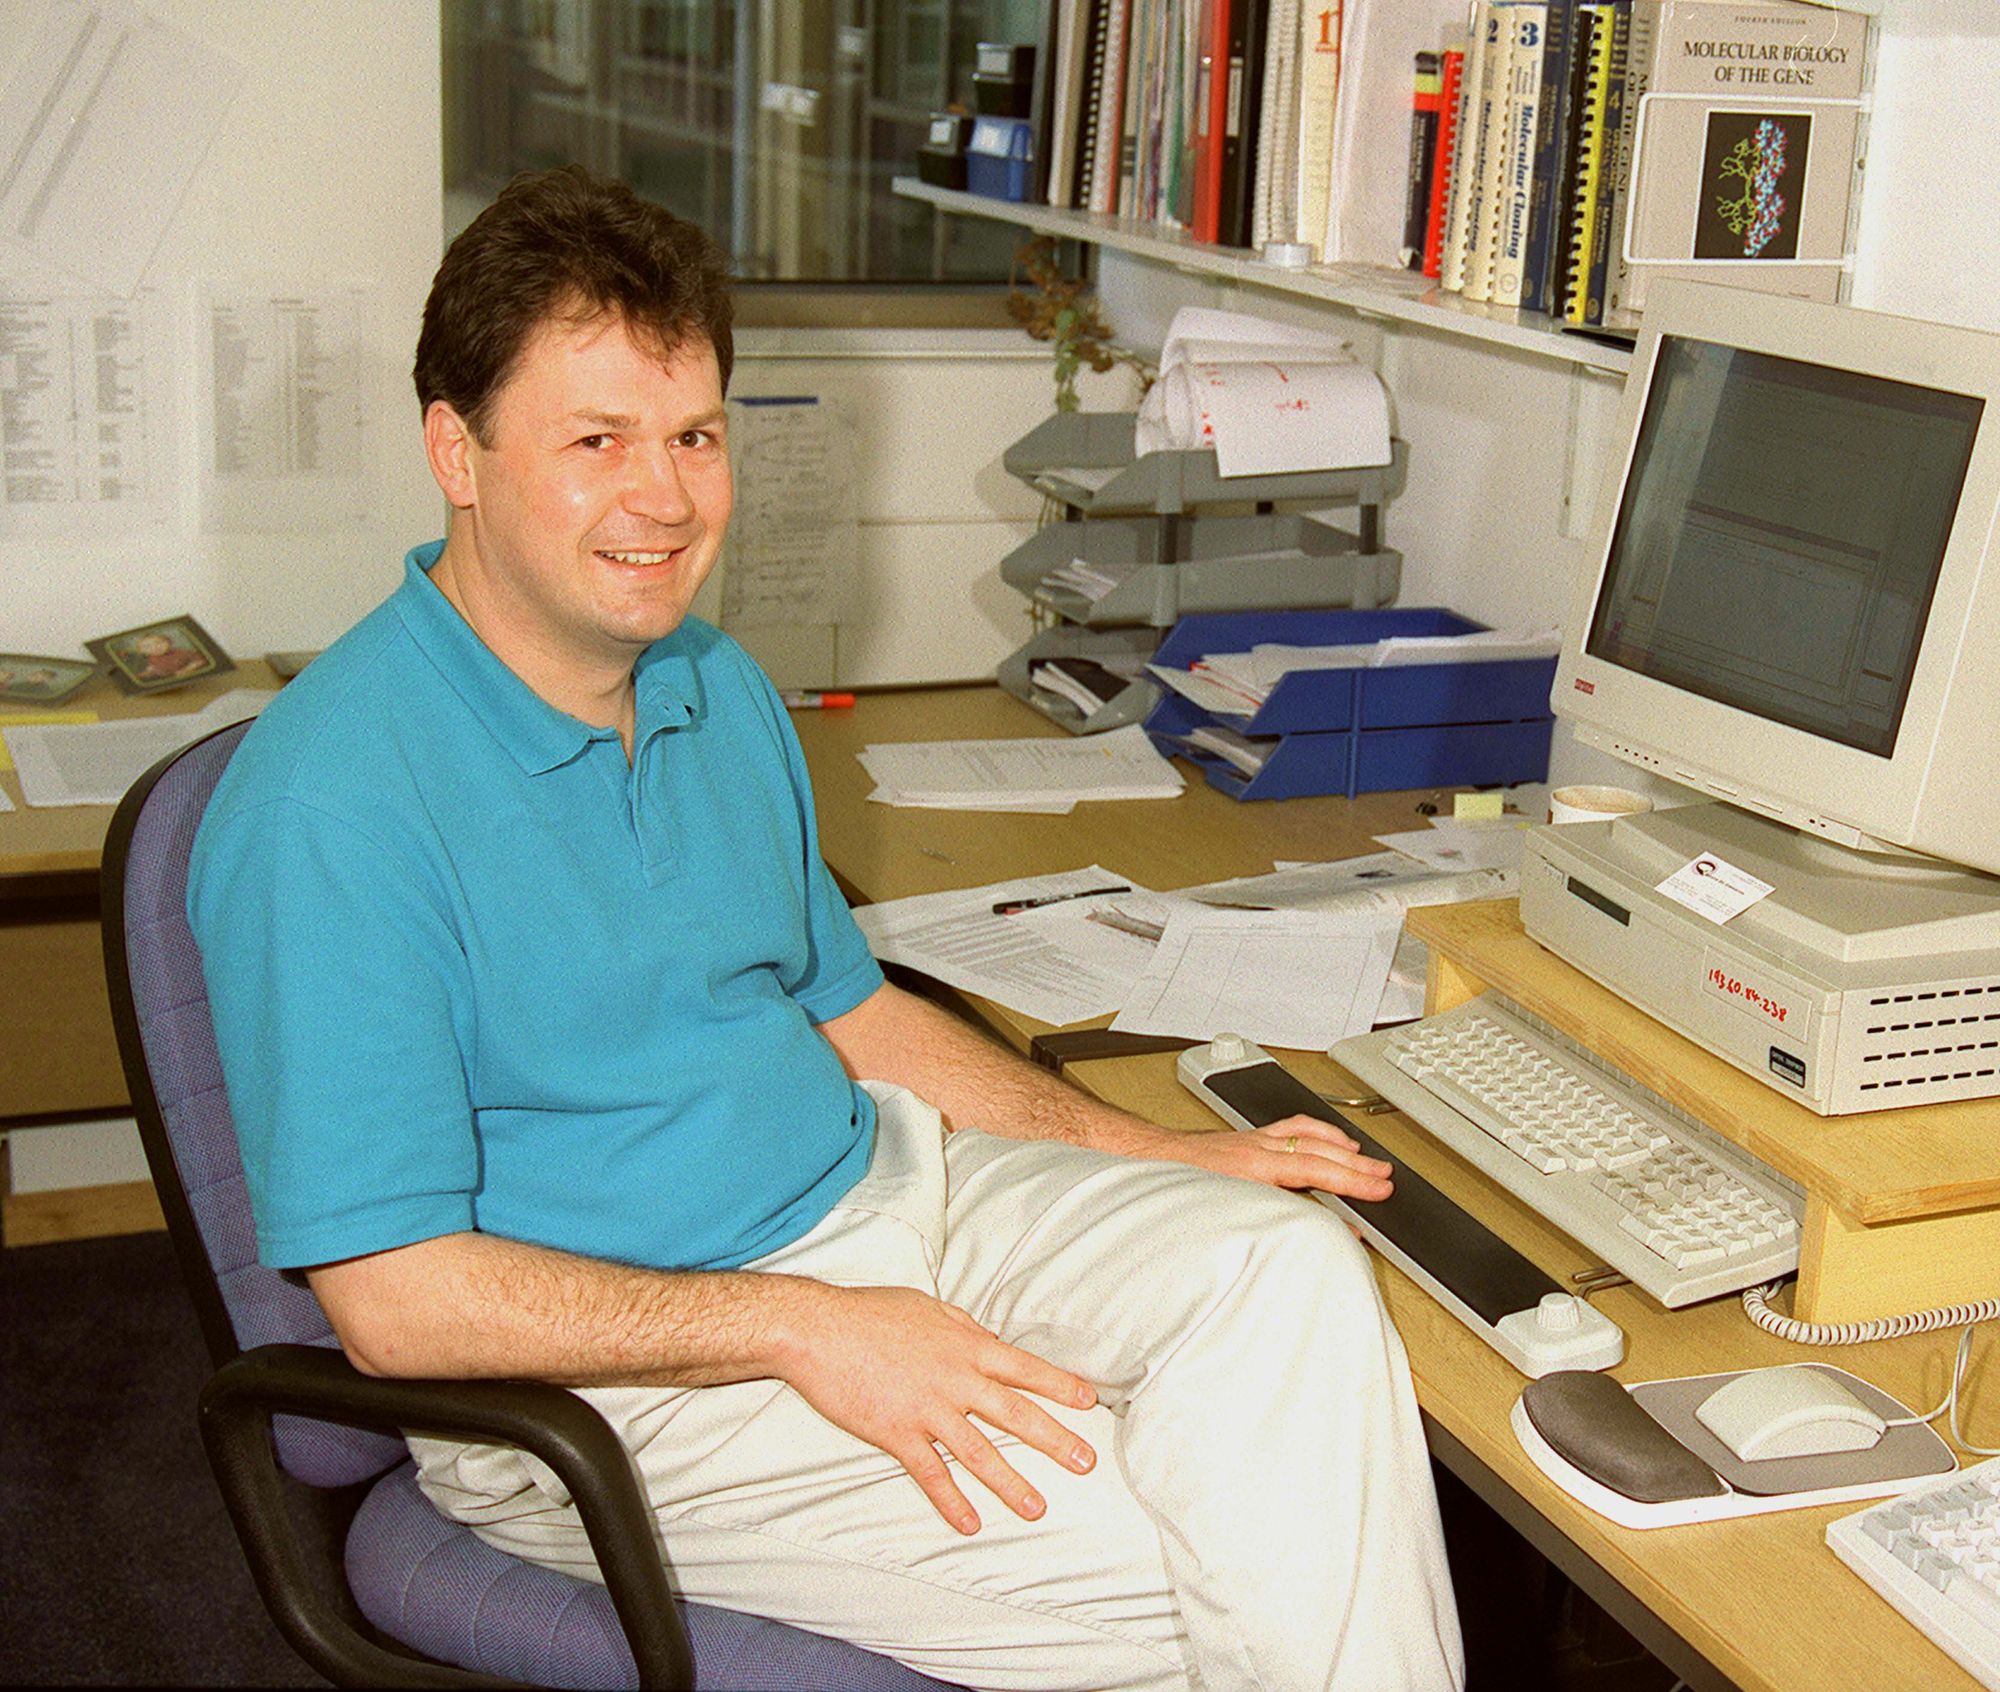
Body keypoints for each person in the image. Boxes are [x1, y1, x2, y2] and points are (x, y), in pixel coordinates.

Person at [188, 165, 1463, 1692]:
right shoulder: (329, 810)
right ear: (454, 451)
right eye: (596, 442)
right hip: (621, 1384)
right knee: (1230, 1566)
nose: (663, 498)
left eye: (694, 436)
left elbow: (855, 1019)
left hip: (889, 1199)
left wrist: (1170, 1154)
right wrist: (809, 1328)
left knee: (1287, 1268)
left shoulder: (709, 682)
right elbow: (398, 1309)